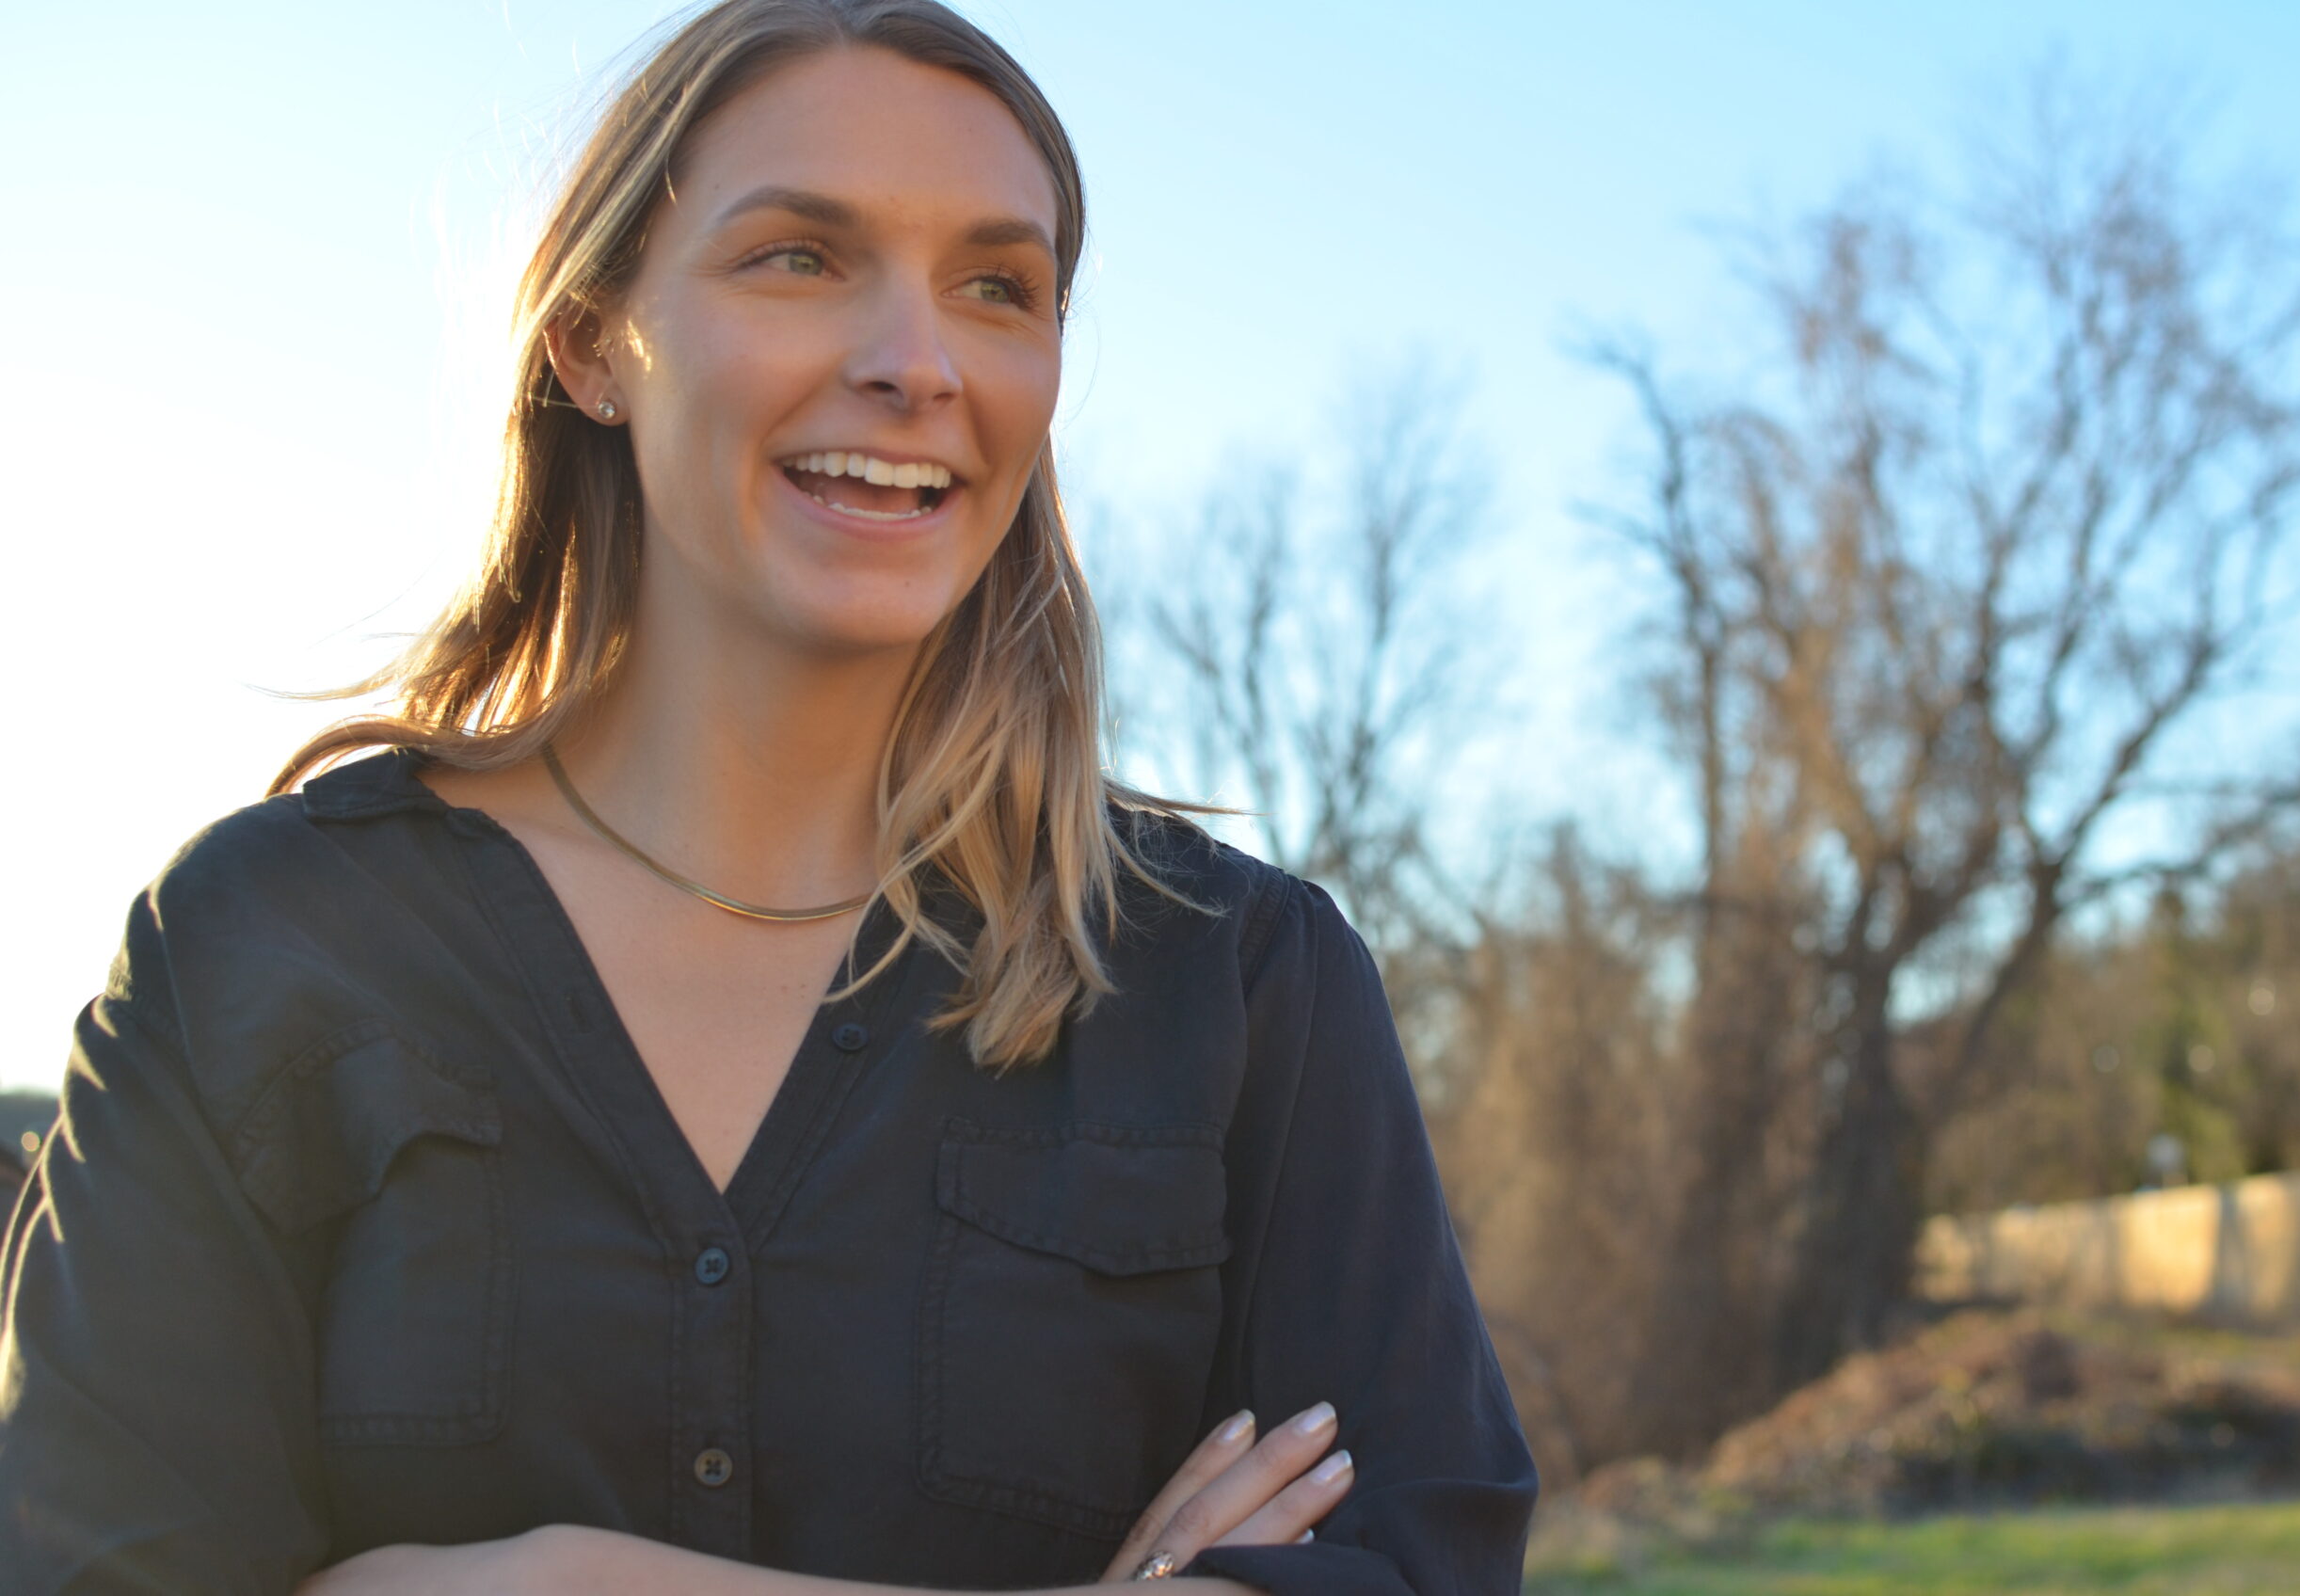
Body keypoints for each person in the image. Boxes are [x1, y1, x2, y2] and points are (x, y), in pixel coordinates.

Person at [0, 2, 1536, 1591]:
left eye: (997, 288)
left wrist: (550, 1584)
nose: (918, 364)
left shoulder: (1242, 983)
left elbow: (1420, 1563)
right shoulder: (258, 945)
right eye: (800, 258)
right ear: (592, 343)